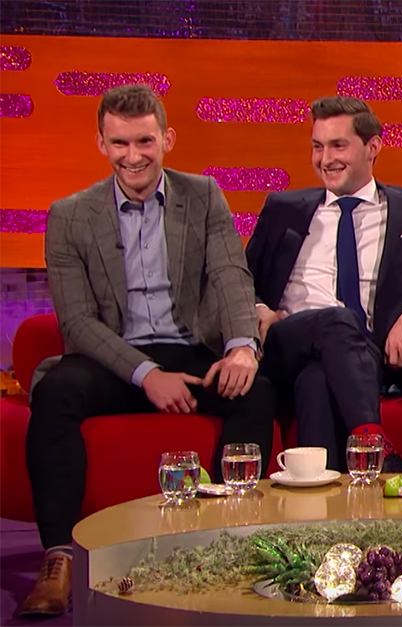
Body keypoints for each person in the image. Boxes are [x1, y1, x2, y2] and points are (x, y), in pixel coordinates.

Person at [20, 84, 275, 618]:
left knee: (255, 391)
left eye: (144, 141)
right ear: (101, 144)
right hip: (115, 357)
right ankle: (59, 557)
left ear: (167, 139)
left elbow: (231, 276)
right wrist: (147, 375)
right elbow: (77, 323)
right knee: (56, 390)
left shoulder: (203, 195)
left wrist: (241, 349)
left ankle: (228, 542)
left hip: (190, 347)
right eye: (119, 143)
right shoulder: (70, 214)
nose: (132, 156)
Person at [245, 96, 402, 473]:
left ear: (373, 147)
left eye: (338, 146)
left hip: (366, 356)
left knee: (316, 381)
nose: (325, 159)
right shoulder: (283, 208)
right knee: (337, 320)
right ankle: (373, 444)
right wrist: (260, 310)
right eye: (317, 147)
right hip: (286, 342)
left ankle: (321, 491)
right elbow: (242, 280)